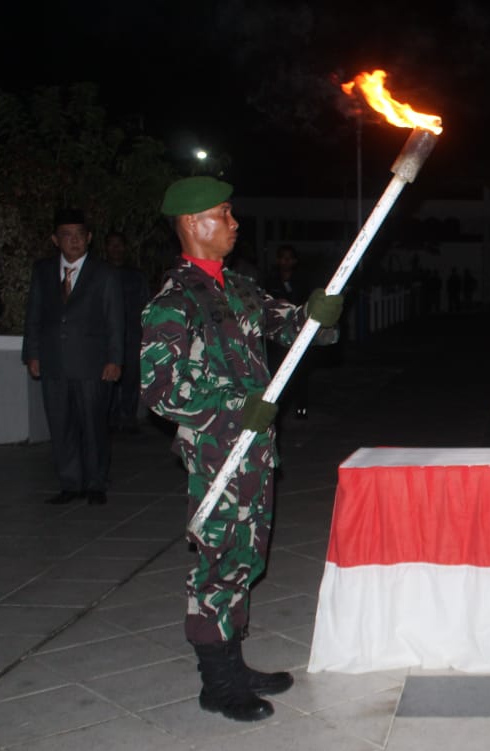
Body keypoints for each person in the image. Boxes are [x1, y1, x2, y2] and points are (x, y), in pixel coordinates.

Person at [140, 177, 343, 722]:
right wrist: (234, 407)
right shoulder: (173, 301)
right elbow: (159, 391)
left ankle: (234, 660)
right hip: (216, 455)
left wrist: (318, 314)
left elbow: (289, 327)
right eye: (222, 213)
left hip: (254, 452)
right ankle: (217, 682)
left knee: (245, 559)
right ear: (190, 224)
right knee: (217, 563)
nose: (234, 223)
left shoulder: (238, 287)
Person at [22, 209, 123, 505]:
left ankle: (95, 483)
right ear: (56, 240)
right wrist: (32, 354)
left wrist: (115, 359)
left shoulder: (104, 273)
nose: (74, 241)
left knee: (93, 424)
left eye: (79, 235)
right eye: (67, 236)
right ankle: (70, 482)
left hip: (92, 361)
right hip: (54, 361)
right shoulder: (42, 270)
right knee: (60, 423)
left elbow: (115, 319)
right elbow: (34, 315)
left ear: (89, 238)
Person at [105, 231, 151, 433]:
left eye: (119, 245)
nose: (116, 249)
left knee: (131, 377)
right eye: (111, 245)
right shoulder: (100, 273)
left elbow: (146, 304)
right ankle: (110, 418)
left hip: (132, 334)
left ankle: (128, 418)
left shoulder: (136, 276)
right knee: (109, 377)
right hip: (107, 337)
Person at [264, 244, 312, 419]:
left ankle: (301, 408)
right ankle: (277, 409)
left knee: (299, 373)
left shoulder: (301, 281)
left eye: (289, 258)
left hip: (298, 334)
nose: (286, 261)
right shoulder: (270, 281)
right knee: (276, 372)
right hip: (276, 337)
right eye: (283, 257)